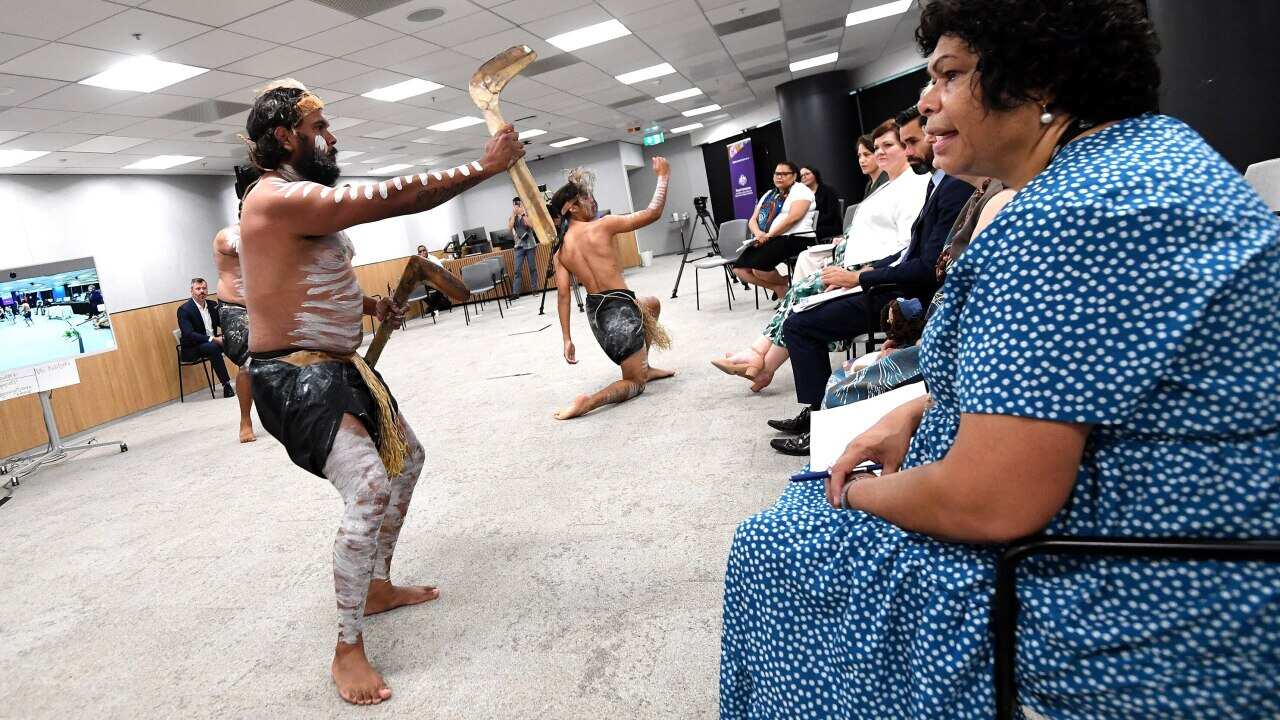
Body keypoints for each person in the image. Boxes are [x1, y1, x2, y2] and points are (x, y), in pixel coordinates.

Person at [720, 1, 1280, 717]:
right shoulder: (1143, 160)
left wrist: (855, 493)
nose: (924, 103)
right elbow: (1073, 377)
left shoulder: (1068, 217)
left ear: (1039, 78)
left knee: (774, 546)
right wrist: (918, 408)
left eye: (949, 75)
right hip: (1186, 551)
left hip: (1129, 591)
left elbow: (991, 500)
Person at [236, 78, 522, 705]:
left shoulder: (292, 202)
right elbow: (394, 197)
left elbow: (298, 280)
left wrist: (366, 304)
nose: (330, 137)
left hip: (337, 366)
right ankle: (346, 649)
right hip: (294, 377)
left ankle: (376, 583)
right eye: (319, 129)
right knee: (368, 487)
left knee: (408, 460)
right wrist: (486, 166)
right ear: (286, 136)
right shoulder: (273, 199)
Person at [769, 110, 975, 430]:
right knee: (801, 311)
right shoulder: (939, 184)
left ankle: (819, 421)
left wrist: (862, 276)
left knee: (801, 324)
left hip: (905, 295)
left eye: (911, 142)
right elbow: (909, 253)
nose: (907, 151)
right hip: (894, 283)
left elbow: (927, 268)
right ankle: (814, 414)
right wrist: (870, 268)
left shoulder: (949, 187)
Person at [711, 119, 931, 391]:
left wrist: (859, 274)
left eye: (889, 145)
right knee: (798, 290)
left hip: (872, 273)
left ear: (908, 148)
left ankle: (760, 360)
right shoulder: (887, 186)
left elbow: (905, 247)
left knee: (801, 292)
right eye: (875, 148)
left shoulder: (914, 186)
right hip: (857, 265)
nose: (878, 153)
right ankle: (760, 361)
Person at [549, 159, 676, 420]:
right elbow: (653, 212)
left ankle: (645, 365)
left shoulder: (560, 250)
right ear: (572, 208)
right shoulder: (603, 225)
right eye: (586, 198)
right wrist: (663, 176)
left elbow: (563, 295)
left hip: (599, 313)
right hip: (617, 313)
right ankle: (588, 403)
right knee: (634, 383)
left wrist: (567, 339)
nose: (592, 202)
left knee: (651, 304)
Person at [213, 167, 261, 442]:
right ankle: (245, 421)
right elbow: (244, 246)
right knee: (248, 362)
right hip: (235, 308)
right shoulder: (227, 235)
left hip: (265, 304)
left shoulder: (269, 232)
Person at [731, 161, 817, 299]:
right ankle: (781, 287)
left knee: (759, 268)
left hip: (796, 238)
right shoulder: (769, 194)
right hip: (770, 238)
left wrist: (768, 236)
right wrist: (759, 234)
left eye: (784, 174)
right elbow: (753, 220)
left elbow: (792, 218)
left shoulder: (801, 191)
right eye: (777, 173)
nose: (779, 177)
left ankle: (790, 287)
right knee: (739, 269)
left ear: (794, 176)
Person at [176, 278, 235, 398]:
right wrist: (213, 339)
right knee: (212, 346)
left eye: (204, 288)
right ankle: (226, 384)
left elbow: (223, 323)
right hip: (193, 347)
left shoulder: (212, 305)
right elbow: (189, 334)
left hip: (212, 342)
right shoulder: (184, 310)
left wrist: (229, 334)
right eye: (198, 289)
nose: (202, 291)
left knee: (234, 340)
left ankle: (248, 374)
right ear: (191, 291)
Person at [799, 166, 842, 242]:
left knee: (807, 234)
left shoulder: (828, 190)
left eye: (807, 174)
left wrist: (813, 222)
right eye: (801, 176)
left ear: (815, 175)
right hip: (812, 225)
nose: (804, 177)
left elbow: (832, 215)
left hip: (830, 225)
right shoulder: (803, 195)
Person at [507, 197, 539, 296]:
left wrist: (523, 213)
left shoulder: (528, 214)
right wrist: (513, 214)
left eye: (518, 204)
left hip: (530, 245)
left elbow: (531, 225)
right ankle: (515, 293)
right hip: (518, 247)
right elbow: (509, 228)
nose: (516, 206)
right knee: (517, 270)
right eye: (514, 204)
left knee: (532, 268)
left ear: (522, 204)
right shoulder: (512, 217)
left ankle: (535, 289)